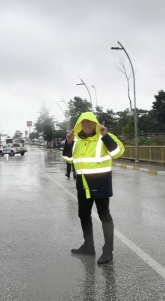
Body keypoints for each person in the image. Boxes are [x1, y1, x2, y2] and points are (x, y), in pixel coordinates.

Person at [63, 112, 124, 265]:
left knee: (104, 216)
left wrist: (105, 135)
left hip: (101, 183)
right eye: (83, 123)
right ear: (80, 125)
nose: (86, 125)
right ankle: (88, 246)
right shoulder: (77, 140)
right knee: (83, 214)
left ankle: (108, 250)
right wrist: (68, 143)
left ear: (95, 123)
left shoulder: (103, 137)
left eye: (89, 122)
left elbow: (117, 153)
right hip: (83, 184)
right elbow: (69, 159)